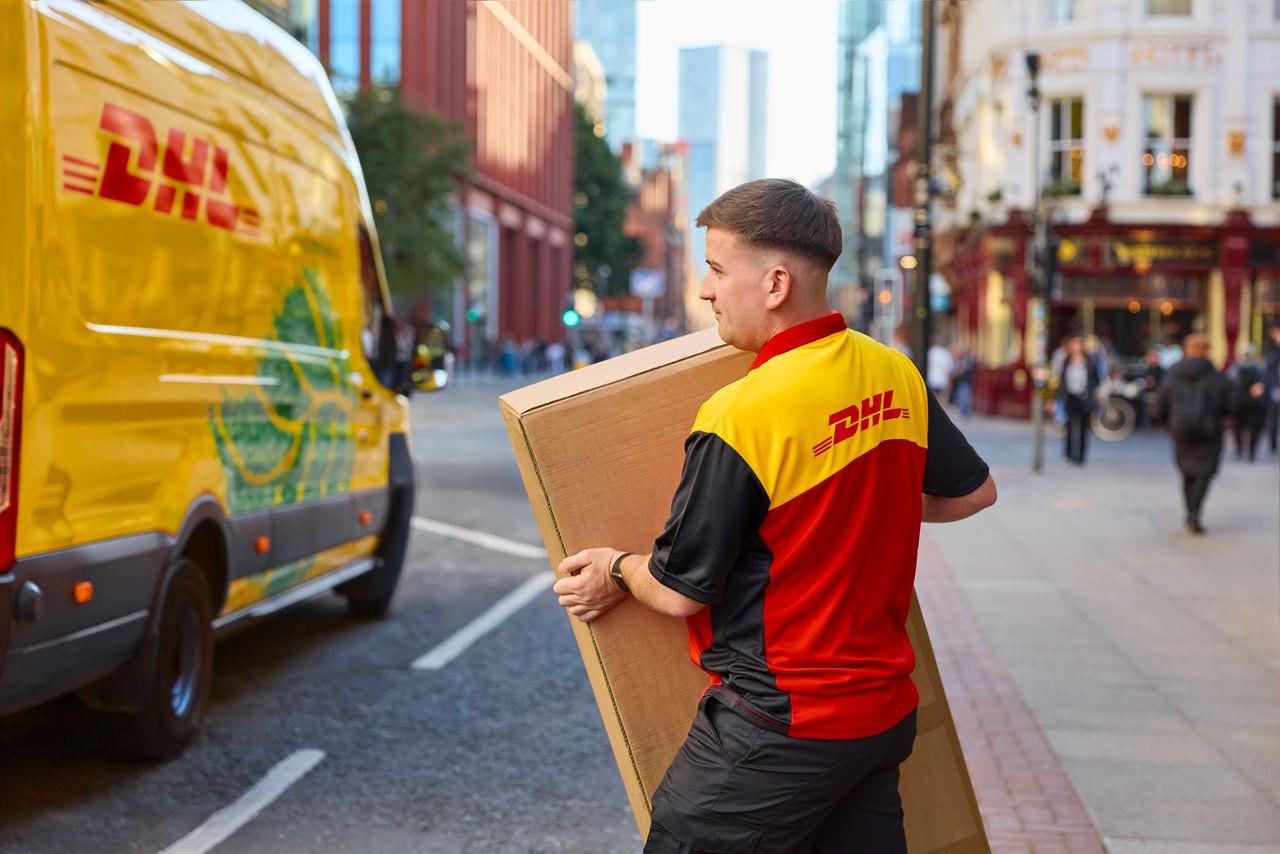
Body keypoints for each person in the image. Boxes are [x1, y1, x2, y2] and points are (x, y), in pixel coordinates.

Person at [552, 179, 997, 853]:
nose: (705, 289)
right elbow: (972, 493)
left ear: (776, 283)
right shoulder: (894, 373)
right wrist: (865, 504)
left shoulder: (743, 414)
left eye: (718, 269)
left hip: (782, 725)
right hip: (878, 719)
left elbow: (676, 591)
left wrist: (617, 568)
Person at [1155, 334, 1235, 534]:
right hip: (1208, 431)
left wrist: (1165, 423)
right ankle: (1194, 512)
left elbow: (1160, 403)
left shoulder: (1173, 374)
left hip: (1180, 429)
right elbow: (1233, 402)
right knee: (1203, 472)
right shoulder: (1215, 376)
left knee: (1187, 471)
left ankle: (1191, 510)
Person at [1054, 332, 1103, 465]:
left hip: (1084, 397)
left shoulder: (1089, 361)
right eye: (1074, 343)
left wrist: (1090, 391)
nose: (1076, 346)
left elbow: (1097, 380)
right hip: (1070, 397)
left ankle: (1080, 457)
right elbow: (1061, 381)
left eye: (1079, 343)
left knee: (1083, 428)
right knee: (1069, 427)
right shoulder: (1066, 361)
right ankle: (1068, 455)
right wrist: (1057, 398)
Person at [1228, 342, 1267, 461]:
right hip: (1246, 401)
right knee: (1245, 428)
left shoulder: (1242, 367)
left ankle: (1246, 451)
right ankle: (1247, 451)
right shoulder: (1255, 367)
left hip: (1245, 401)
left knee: (1244, 427)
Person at [1264, 323, 1280, 454]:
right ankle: (1273, 444)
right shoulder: (1273, 349)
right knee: (1273, 417)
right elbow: (1270, 370)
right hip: (1275, 388)